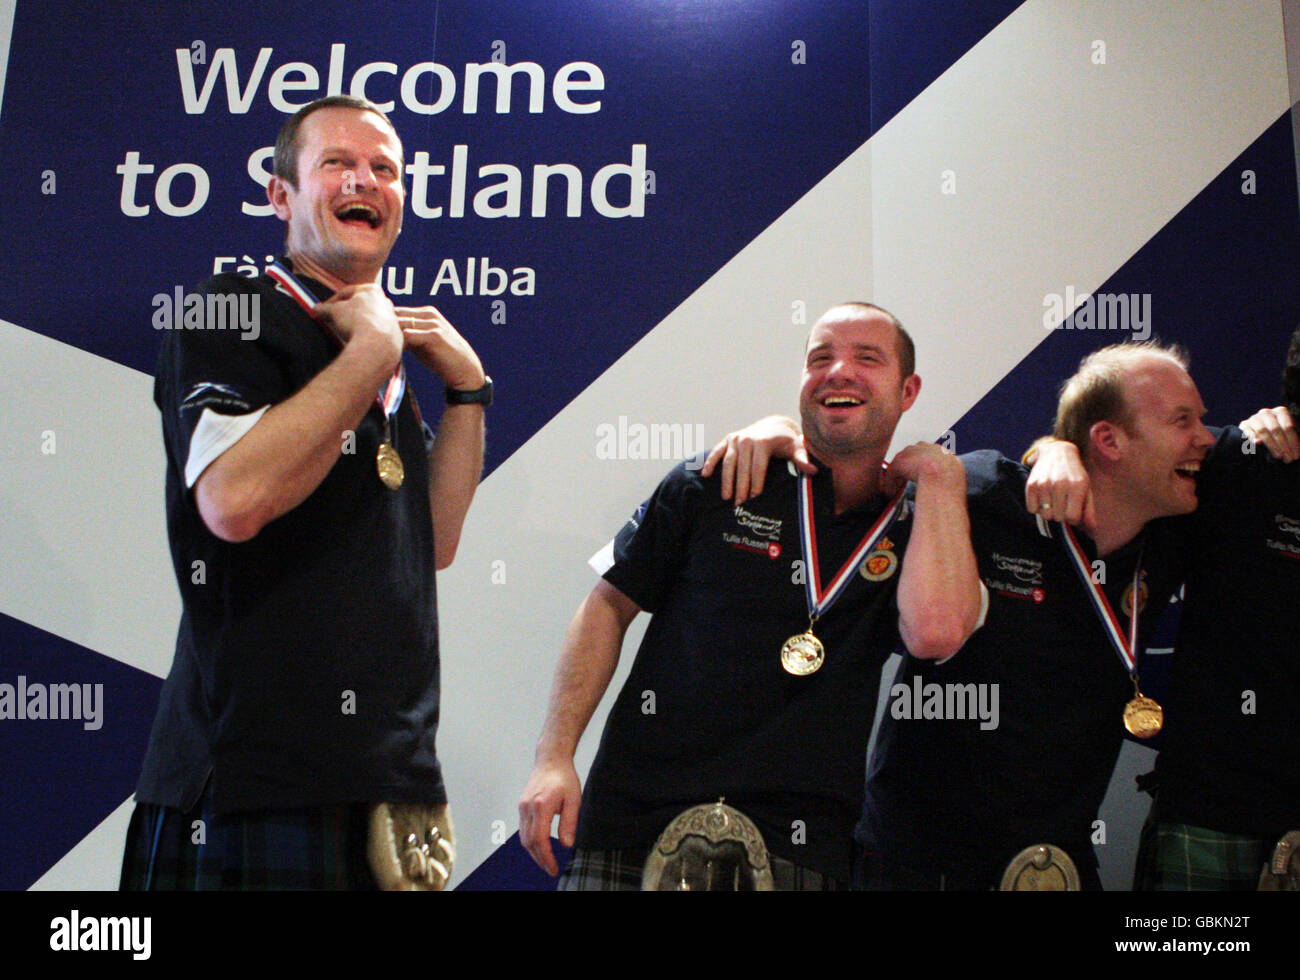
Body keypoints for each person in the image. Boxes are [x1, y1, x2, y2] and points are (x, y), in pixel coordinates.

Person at [120, 95, 491, 890]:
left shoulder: (376, 349)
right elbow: (233, 500)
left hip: (384, 787)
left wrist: (468, 394)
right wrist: (374, 352)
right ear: (279, 196)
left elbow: (436, 541)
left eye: (384, 169)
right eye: (338, 163)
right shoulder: (234, 310)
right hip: (254, 783)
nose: (366, 180)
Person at [517, 302, 983, 889]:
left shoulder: (921, 529)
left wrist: (940, 479)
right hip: (637, 826)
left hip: (802, 845)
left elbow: (936, 631)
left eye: (867, 358)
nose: (839, 370)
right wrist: (554, 757)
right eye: (820, 358)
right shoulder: (719, 479)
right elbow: (608, 604)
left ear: (908, 389)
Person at [715, 342, 1214, 888]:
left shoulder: (1174, 531)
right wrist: (774, 430)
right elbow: (870, 473)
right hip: (914, 866)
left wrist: (1055, 447)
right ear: (1108, 440)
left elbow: (1253, 459)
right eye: (1182, 420)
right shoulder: (984, 493)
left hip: (1053, 868)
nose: (1204, 439)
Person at [1028, 328, 1300, 890]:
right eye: (1185, 420)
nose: (1195, 435)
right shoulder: (1243, 462)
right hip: (1215, 818)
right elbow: (1111, 464)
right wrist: (1054, 449)